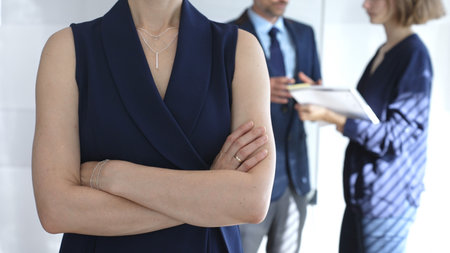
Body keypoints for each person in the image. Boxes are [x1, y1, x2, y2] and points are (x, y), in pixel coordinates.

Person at [31, 0, 277, 252]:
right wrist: (207, 198)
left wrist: (113, 176)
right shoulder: (67, 48)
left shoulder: (240, 49)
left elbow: (251, 202)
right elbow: (56, 210)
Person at [297, 0, 445, 252]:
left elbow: (398, 136)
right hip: (363, 195)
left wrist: (334, 118)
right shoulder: (385, 51)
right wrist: (323, 99)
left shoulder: (413, 56)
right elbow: (368, 117)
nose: (366, 5)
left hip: (387, 200)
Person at [230, 0, 321, 252]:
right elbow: (212, 104)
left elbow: (315, 95)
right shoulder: (226, 35)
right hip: (247, 176)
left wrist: (317, 99)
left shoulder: (305, 34)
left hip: (295, 179)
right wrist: (257, 89)